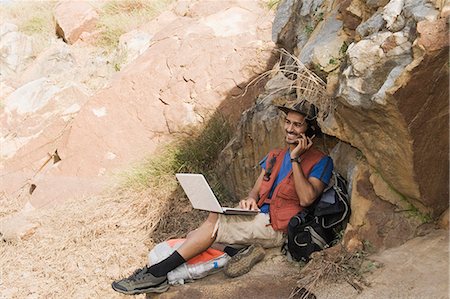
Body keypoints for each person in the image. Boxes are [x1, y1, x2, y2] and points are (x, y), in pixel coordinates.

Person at [112, 100, 334, 295]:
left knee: (214, 223)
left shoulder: (320, 161)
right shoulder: (275, 156)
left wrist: (296, 159)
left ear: (310, 132)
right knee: (197, 234)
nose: (290, 128)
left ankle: (156, 275)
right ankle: (239, 250)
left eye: (297, 124)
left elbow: (306, 200)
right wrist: (248, 201)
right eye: (288, 122)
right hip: (257, 217)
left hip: (277, 227)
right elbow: (254, 192)